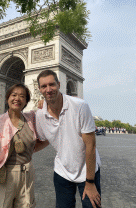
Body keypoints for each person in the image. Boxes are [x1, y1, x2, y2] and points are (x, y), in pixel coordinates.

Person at [35, 70, 101, 208]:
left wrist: (90, 182)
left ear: (59, 84)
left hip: (87, 172)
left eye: (52, 84)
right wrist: (21, 153)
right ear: (39, 89)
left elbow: (91, 146)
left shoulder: (80, 106)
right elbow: (45, 139)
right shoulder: (40, 114)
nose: (48, 89)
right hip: (62, 172)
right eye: (44, 86)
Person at [0, 83, 48, 208]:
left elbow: (50, 119)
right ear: (7, 98)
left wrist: (47, 104)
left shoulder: (31, 119)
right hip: (3, 175)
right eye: (14, 95)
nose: (17, 98)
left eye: (22, 96)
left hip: (27, 174)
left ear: (26, 101)